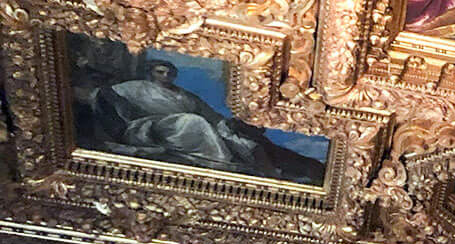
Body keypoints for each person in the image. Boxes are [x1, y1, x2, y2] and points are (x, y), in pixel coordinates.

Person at [83, 57, 314, 181]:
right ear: (151, 73)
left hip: (184, 128)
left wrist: (229, 125)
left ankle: (271, 173)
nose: (165, 76)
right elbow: (104, 96)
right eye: (160, 72)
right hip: (148, 129)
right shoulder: (135, 87)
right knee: (191, 121)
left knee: (244, 143)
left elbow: (211, 116)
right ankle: (219, 161)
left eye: (169, 72)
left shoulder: (185, 95)